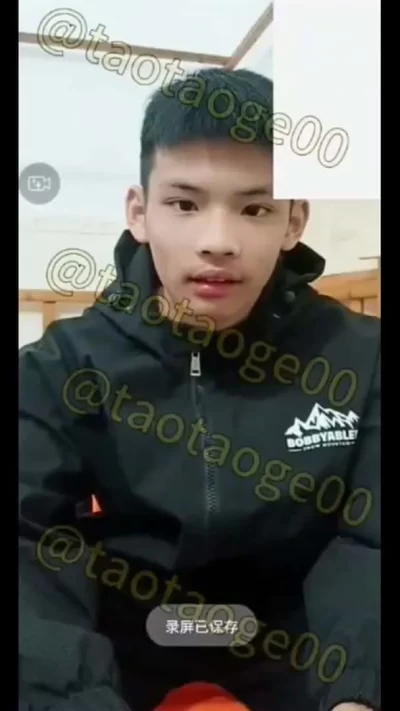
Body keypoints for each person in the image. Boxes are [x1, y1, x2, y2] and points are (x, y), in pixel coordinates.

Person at [19, 68, 380, 711]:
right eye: (185, 205)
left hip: (303, 633)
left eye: (255, 208)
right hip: (124, 629)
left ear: (293, 220)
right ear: (140, 213)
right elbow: (28, 539)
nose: (218, 242)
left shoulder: (362, 355)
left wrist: (359, 689)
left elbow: (369, 534)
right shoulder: (61, 366)